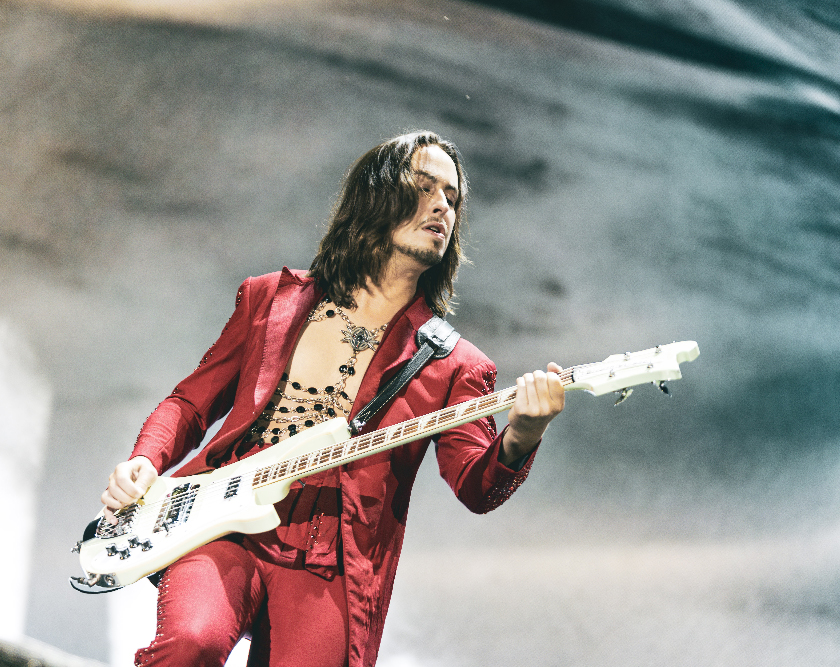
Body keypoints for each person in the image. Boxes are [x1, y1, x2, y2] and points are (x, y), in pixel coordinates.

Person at [101, 131, 566, 667]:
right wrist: (145, 458)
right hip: (221, 520)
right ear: (375, 196)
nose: (443, 205)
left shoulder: (454, 364)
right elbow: (189, 402)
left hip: (333, 562)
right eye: (425, 187)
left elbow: (476, 486)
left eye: (453, 199)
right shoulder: (270, 298)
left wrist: (524, 434)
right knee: (191, 643)